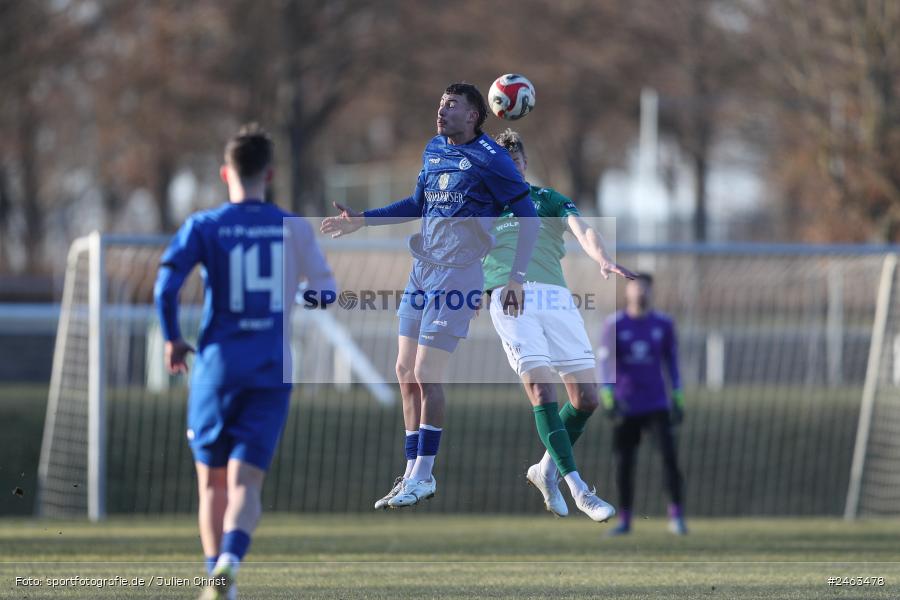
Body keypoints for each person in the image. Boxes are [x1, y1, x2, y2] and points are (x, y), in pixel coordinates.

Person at [320, 82, 540, 509]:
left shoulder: (492, 159)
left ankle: (425, 473)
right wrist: (364, 219)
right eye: (440, 103)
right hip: (422, 272)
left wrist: (515, 279)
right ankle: (410, 473)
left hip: (458, 276)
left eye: (451, 105)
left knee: (426, 372)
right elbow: (417, 203)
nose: (441, 111)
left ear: (473, 115)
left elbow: (528, 216)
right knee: (404, 370)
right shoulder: (434, 148)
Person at [154, 124, 336, 599]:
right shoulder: (294, 228)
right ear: (269, 174)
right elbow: (325, 293)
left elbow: (165, 288)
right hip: (270, 368)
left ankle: (217, 580)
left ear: (225, 173)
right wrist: (294, 293)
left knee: (211, 485)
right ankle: (230, 562)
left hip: (216, 368)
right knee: (246, 483)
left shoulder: (204, 225)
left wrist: (173, 339)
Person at [483, 129, 635, 522]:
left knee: (586, 399)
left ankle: (545, 470)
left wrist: (602, 258)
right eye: (502, 165)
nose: (510, 170)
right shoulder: (481, 203)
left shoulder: (546, 199)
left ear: (524, 165)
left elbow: (583, 229)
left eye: (516, 163)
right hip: (509, 295)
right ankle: (580, 489)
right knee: (541, 388)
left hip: (555, 298)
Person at [598, 273, 687, 536]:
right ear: (627, 291)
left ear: (651, 292)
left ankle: (677, 517)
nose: (640, 293)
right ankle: (625, 520)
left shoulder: (664, 324)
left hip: (657, 404)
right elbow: (605, 363)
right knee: (624, 464)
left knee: (669, 460)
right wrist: (608, 396)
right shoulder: (614, 324)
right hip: (626, 405)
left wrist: (678, 397)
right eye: (636, 288)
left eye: (645, 288)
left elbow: (672, 362)